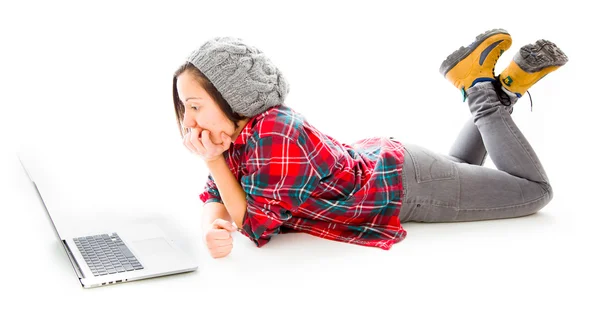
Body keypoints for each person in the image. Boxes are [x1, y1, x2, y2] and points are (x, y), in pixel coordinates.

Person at [172, 29, 568, 258]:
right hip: (402, 169)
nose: (188, 122)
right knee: (461, 171)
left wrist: (212, 161)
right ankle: (507, 86)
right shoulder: (244, 135)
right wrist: (213, 225)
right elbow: (217, 196)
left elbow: (256, 225)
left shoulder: (273, 133)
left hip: (408, 187)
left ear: (233, 97)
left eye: (194, 106)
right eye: (183, 108)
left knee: (535, 192)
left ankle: (479, 86)